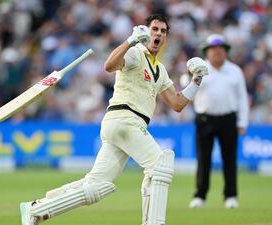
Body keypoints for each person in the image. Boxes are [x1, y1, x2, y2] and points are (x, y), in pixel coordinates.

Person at [20, 14, 208, 225]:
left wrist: (196, 82)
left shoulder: (160, 70)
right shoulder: (136, 53)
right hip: (124, 119)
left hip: (124, 126)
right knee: (159, 166)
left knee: (96, 186)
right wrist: (130, 41)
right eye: (154, 29)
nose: (158, 34)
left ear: (165, 38)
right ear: (146, 31)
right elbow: (109, 66)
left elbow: (176, 104)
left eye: (163, 31)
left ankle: (36, 209)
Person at [188, 34, 249, 209]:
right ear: (207, 52)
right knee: (203, 159)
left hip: (228, 119)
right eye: (214, 50)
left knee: (229, 159)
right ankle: (200, 196)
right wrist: (191, 74)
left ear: (226, 51)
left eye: (221, 49)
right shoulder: (200, 69)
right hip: (205, 119)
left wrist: (242, 121)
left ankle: (230, 196)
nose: (217, 53)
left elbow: (242, 98)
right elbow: (186, 86)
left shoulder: (235, 70)